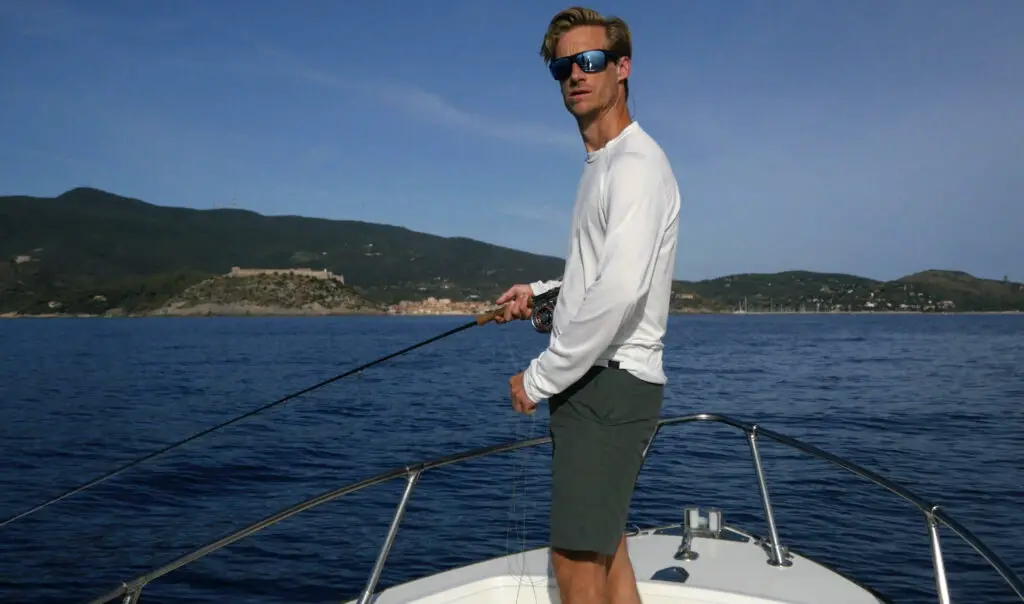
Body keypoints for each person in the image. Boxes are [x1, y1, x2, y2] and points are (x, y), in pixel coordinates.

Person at [495, 6, 682, 604]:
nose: (576, 74)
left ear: (621, 68)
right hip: (602, 385)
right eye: (563, 67)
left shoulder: (636, 164)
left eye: (591, 61)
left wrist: (539, 378)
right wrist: (541, 295)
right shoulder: (604, 165)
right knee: (608, 553)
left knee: (575, 568)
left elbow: (619, 294)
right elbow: (598, 274)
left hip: (607, 385)